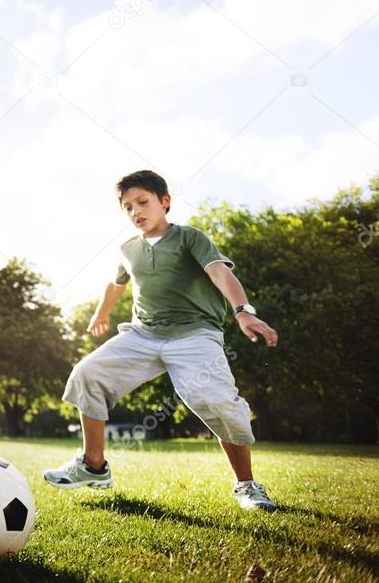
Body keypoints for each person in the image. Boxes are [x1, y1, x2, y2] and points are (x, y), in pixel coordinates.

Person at [42, 170, 280, 512]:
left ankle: (247, 485)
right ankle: (93, 466)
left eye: (143, 202)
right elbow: (116, 284)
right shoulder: (128, 249)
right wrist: (102, 314)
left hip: (195, 334)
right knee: (87, 373)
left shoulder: (189, 238)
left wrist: (243, 310)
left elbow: (219, 271)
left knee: (216, 400)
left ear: (164, 202)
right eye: (127, 207)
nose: (135, 211)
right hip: (144, 334)